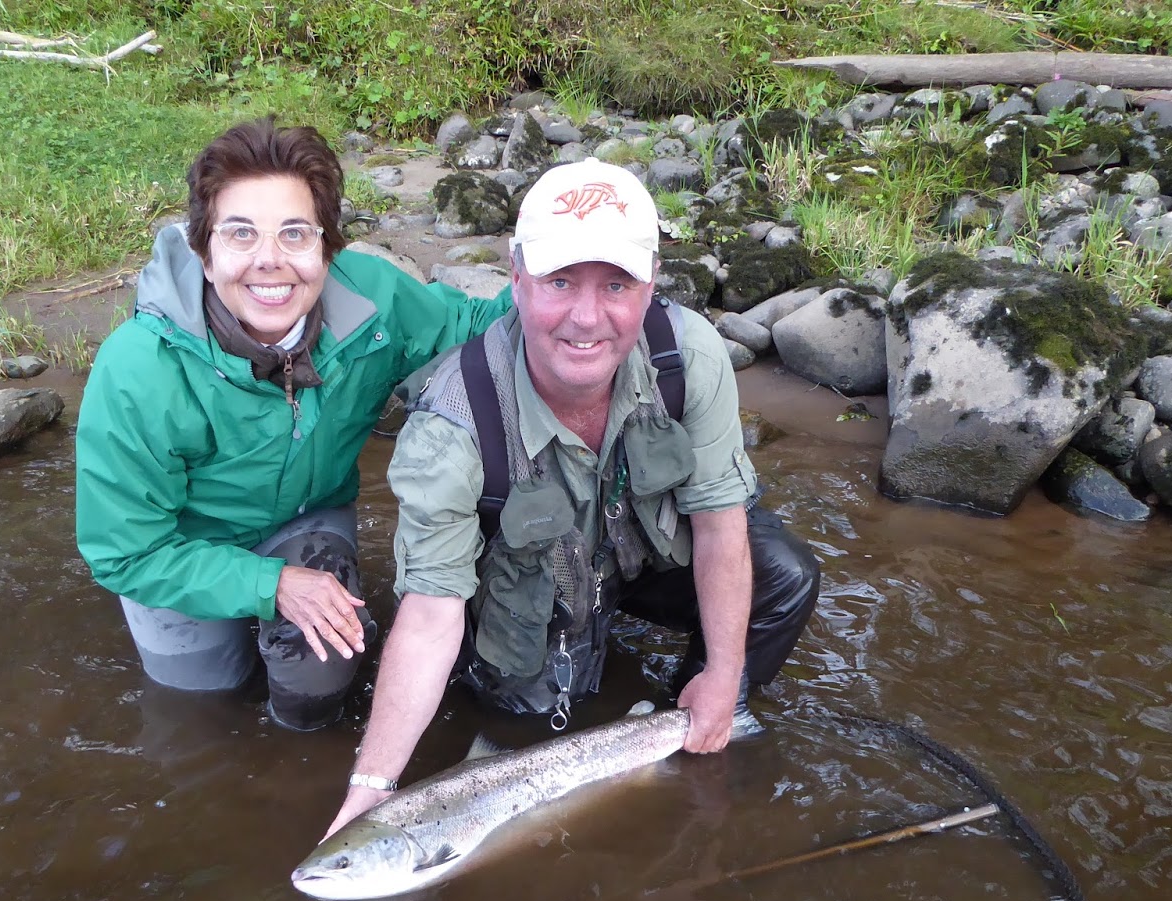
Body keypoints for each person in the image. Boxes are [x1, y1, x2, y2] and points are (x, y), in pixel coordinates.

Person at [324, 159, 819, 836]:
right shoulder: (450, 428)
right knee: (525, 712)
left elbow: (720, 525)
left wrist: (724, 680)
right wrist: (372, 787)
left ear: (648, 287)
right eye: (560, 282)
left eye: (615, 284)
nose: (587, 319)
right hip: (533, 580)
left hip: (642, 555)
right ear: (518, 279)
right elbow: (430, 614)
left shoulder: (689, 357)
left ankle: (689, 726)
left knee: (784, 577)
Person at [75, 119, 510, 731]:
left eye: (295, 234)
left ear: (328, 248)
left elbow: (478, 327)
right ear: (204, 250)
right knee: (200, 703)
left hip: (306, 518)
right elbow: (123, 553)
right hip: (179, 545)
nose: (270, 262)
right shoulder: (137, 369)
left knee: (321, 673)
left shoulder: (375, 306)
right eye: (241, 234)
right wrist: (271, 585)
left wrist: (570, 284)